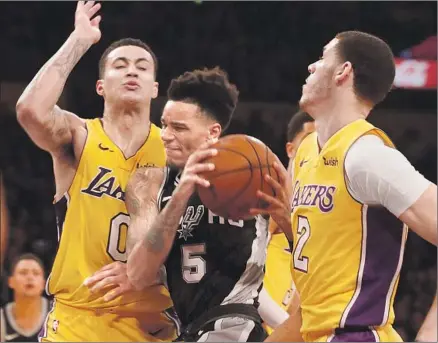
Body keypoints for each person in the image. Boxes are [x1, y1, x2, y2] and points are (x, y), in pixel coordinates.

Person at [251, 30, 437, 342]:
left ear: (343, 71)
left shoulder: (367, 156)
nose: (311, 66)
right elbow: (305, 313)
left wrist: (429, 336)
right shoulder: (307, 151)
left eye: (322, 58)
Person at [16, 1, 175, 341]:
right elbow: (30, 110)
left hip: (149, 322)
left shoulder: (174, 149)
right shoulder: (79, 135)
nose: (132, 71)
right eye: (120, 65)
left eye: (142, 67)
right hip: (78, 320)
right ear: (101, 86)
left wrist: (148, 269)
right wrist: (80, 40)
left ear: (155, 88)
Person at [125, 67, 272, 342]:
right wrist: (182, 193)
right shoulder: (155, 184)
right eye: (164, 124)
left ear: (212, 132)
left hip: (234, 325)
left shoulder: (252, 171)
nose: (166, 135)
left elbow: (301, 240)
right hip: (187, 331)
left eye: (179, 128)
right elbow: (138, 274)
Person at [262, 111, 314, 335]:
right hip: (261, 328)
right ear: (291, 149)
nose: (317, 147)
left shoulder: (318, 204)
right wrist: (285, 328)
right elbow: (242, 279)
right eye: (309, 140)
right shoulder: (268, 195)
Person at [1, 254, 49, 342]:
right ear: (11, 282)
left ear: (43, 283)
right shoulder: (2, 319)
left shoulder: (56, 314)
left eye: (36, 273)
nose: (30, 277)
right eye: (23, 272)